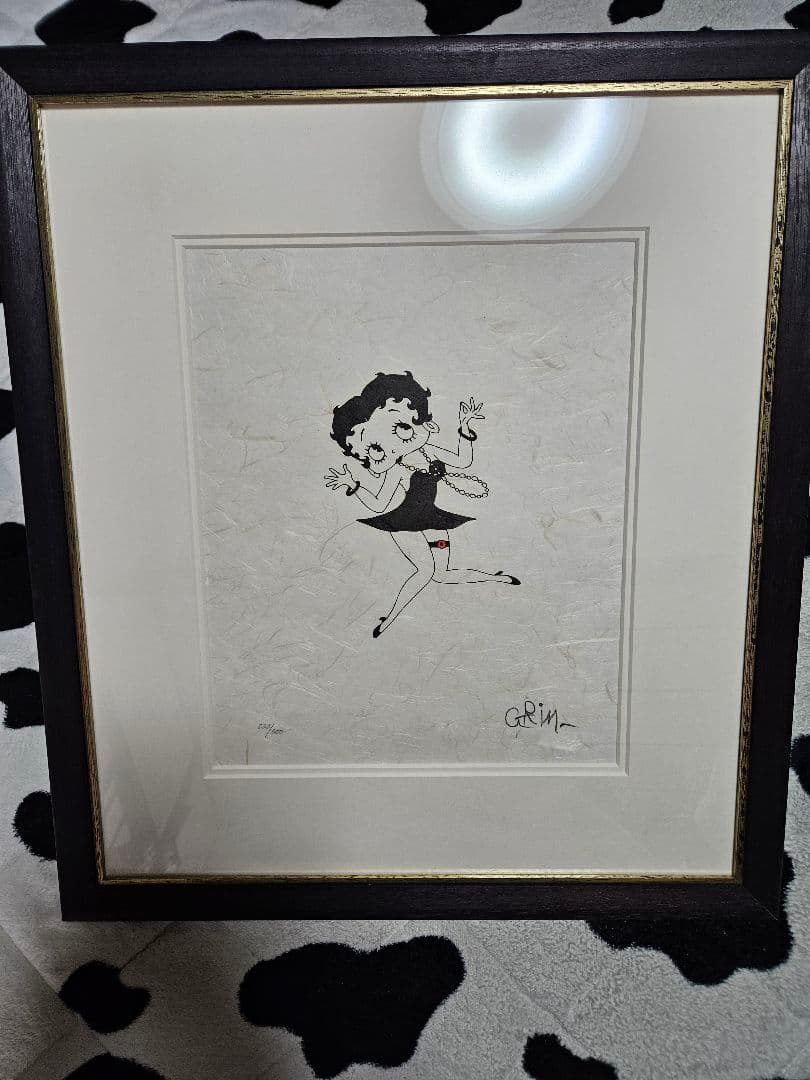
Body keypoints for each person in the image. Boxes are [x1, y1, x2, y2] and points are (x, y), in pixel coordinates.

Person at [325, 371, 519, 638]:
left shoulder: (429, 452)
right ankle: (389, 620)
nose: (391, 447)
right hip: (403, 525)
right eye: (376, 449)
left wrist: (465, 428)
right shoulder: (396, 469)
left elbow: (463, 461)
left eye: (403, 428)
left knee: (442, 574)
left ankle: (497, 578)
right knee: (425, 571)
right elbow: (379, 504)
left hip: (432, 521)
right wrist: (353, 485)